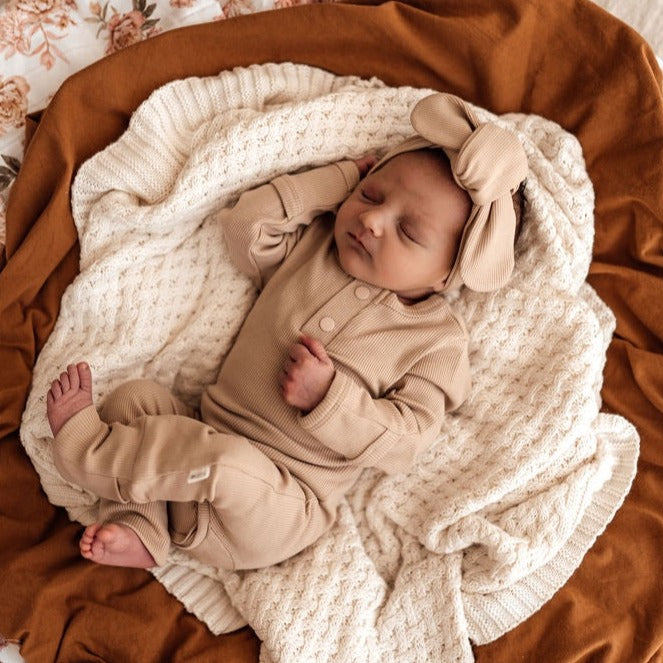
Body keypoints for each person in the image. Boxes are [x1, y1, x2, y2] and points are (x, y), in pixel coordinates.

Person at [45, 93, 528, 570]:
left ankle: (87, 455)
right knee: (137, 400)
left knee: (225, 462)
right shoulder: (315, 251)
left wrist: (331, 399)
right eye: (370, 195)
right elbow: (245, 226)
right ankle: (141, 528)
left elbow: (409, 438)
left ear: (446, 275)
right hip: (201, 445)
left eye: (408, 232)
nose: (372, 220)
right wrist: (340, 179)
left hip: (280, 505)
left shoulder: (435, 340)